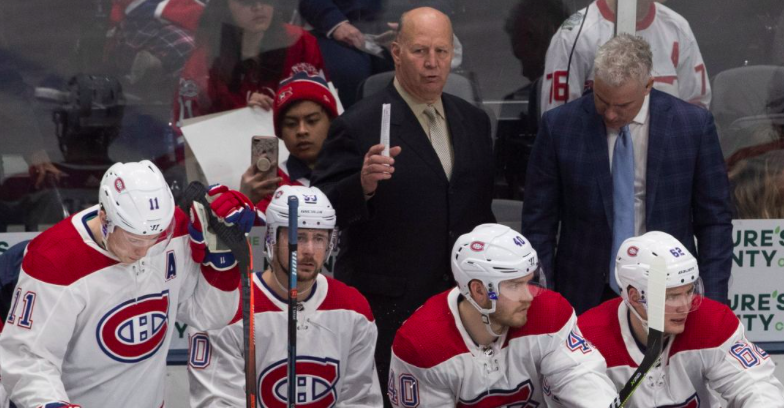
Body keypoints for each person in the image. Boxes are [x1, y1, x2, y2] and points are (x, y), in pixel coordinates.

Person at [311, 7, 495, 401]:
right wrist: (361, 185)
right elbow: (321, 207)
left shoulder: (475, 122)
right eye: (419, 51)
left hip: (463, 308)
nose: (432, 63)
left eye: (442, 52)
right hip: (391, 309)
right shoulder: (358, 124)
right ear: (395, 52)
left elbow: (480, 212)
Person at [0, 160, 255, 408]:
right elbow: (27, 358)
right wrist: (50, 404)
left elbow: (210, 316)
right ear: (105, 217)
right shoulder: (55, 258)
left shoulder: (174, 231)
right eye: (134, 240)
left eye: (155, 238)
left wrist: (222, 262)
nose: (144, 251)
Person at [522, 34, 733, 315]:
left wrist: (713, 304)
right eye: (601, 99)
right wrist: (542, 298)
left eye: (622, 106)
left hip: (668, 289)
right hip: (583, 291)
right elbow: (539, 223)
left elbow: (714, 222)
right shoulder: (560, 127)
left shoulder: (691, 127)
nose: (609, 114)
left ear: (648, 86)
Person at [188, 185, 382, 407]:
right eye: (298, 237)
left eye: (319, 238)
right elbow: (217, 401)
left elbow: (360, 400)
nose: (309, 250)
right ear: (271, 238)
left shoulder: (353, 308)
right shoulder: (226, 307)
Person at [389, 224, 617, 407]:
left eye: (530, 282)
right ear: (478, 291)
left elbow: (577, 374)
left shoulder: (550, 312)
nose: (529, 296)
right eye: (515, 286)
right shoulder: (421, 344)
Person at [579, 231, 784, 406]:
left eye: (688, 292)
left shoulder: (714, 322)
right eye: (671, 296)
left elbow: (756, 386)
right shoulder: (589, 337)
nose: (685, 306)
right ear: (634, 297)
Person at [540, 0, 711, 114]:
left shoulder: (677, 28)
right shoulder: (575, 34)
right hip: (596, 162)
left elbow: (696, 108)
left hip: (663, 160)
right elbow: (558, 122)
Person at [174, 0, 326, 126]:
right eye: (247, 1)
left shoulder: (300, 42)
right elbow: (188, 129)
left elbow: (325, 106)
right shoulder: (204, 61)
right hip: (232, 151)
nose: (258, 7)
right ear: (224, 7)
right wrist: (242, 115)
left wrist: (286, 104)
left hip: (297, 147)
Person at [239, 71, 339, 222]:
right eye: (291, 124)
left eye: (312, 121)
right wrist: (244, 204)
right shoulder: (268, 184)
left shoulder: (354, 169)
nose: (301, 131)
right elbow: (256, 241)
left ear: (332, 123)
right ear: (280, 132)